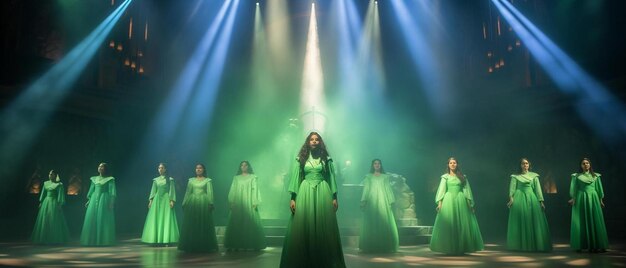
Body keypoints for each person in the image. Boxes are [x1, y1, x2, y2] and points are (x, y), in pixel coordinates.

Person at [280, 132, 346, 268]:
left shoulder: (326, 159)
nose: (314, 141)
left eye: (317, 139)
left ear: (320, 142)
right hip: (305, 192)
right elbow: (296, 178)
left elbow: (331, 178)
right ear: (308, 142)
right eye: (312, 139)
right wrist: (293, 198)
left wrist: (334, 197)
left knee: (324, 225)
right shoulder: (301, 159)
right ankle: (305, 261)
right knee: (304, 224)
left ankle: (323, 261)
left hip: (323, 191)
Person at [430, 157, 484, 255]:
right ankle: (449, 246)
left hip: (460, 199)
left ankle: (461, 246)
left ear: (457, 164)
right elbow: (442, 191)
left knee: (461, 223)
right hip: (448, 200)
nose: (453, 164)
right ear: (448, 165)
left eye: (454, 163)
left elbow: (467, 191)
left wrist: (470, 205)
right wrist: (439, 204)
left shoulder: (463, 177)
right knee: (450, 222)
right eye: (451, 163)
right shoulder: (445, 177)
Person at [506, 158, 552, 251]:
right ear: (520, 165)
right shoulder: (515, 176)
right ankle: (520, 245)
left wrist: (541, 201)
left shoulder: (534, 176)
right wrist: (511, 198)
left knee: (533, 219)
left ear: (529, 165)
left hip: (532, 198)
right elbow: (512, 188)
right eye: (523, 163)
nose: (525, 165)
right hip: (519, 198)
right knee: (521, 220)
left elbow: (538, 190)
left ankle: (535, 244)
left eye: (526, 163)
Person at [223, 161, 266, 250]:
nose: (243, 167)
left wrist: (255, 202)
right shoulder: (236, 178)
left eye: (245, 165)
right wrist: (231, 201)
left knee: (248, 222)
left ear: (248, 167)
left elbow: (255, 189)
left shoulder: (253, 177)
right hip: (238, 202)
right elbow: (233, 190)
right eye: (242, 165)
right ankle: (236, 244)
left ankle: (250, 243)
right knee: (237, 222)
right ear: (240, 167)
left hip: (248, 201)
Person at [569, 158, 608, 253]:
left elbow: (599, 189)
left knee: (595, 219)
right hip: (581, 198)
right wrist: (573, 198)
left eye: (587, 163)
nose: (585, 165)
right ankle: (581, 245)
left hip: (594, 198)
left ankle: (596, 245)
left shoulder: (596, 176)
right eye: (583, 163)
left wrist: (601, 200)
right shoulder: (576, 176)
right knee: (582, 220)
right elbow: (574, 188)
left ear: (590, 165)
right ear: (581, 165)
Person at [359, 159, 399, 253]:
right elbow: (366, 189)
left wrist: (391, 201)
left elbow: (388, 189)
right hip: (371, 201)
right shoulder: (368, 177)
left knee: (383, 220)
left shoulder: (385, 177)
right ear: (372, 165)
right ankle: (371, 244)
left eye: (378, 163)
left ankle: (384, 245)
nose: (377, 165)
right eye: (375, 163)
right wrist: (363, 200)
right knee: (372, 221)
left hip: (383, 200)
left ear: (381, 165)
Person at [178, 163, 218, 252]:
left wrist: (211, 203)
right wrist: (184, 203)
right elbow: (188, 192)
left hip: (203, 202)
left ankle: (204, 244)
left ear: (203, 170)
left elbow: (210, 193)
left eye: (200, 168)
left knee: (203, 223)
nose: (198, 169)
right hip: (192, 202)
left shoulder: (207, 180)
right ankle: (191, 244)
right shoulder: (191, 180)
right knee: (192, 223)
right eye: (197, 168)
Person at [141, 163, 180, 245]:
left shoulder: (170, 179)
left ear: (165, 169)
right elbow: (153, 191)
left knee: (166, 218)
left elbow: (172, 190)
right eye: (159, 168)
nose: (160, 169)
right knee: (157, 218)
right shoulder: (155, 180)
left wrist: (172, 200)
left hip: (166, 199)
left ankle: (166, 239)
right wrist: (150, 201)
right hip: (157, 200)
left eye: (162, 168)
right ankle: (156, 239)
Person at [80, 162, 117, 246]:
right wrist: (89, 200)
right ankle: (91, 240)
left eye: (102, 167)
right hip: (94, 199)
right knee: (92, 218)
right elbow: (91, 190)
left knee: (102, 218)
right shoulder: (94, 179)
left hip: (104, 198)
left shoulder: (110, 179)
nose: (100, 168)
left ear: (105, 169)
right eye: (99, 166)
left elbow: (112, 191)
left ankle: (103, 240)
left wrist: (111, 202)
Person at [31, 169, 70, 244]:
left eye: (52, 174)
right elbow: (43, 193)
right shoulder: (46, 183)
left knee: (53, 219)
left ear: (55, 175)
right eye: (49, 174)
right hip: (46, 202)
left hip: (54, 202)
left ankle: (54, 238)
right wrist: (41, 202)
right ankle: (44, 238)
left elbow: (60, 195)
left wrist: (59, 204)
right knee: (44, 219)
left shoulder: (59, 184)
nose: (50, 175)